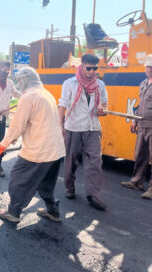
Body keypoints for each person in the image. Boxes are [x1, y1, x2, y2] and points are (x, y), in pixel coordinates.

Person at [0, 67, 65, 223]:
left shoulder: (28, 98)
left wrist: (1, 147)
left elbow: (16, 127)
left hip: (39, 150)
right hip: (56, 150)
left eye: (19, 81)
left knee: (18, 178)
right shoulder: (47, 94)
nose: (18, 84)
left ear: (25, 80)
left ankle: (13, 212)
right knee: (47, 183)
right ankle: (53, 211)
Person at [58, 54, 108, 211]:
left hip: (93, 128)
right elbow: (62, 106)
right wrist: (61, 127)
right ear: (82, 66)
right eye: (89, 68)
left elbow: (104, 108)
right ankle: (69, 187)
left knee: (95, 162)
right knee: (71, 161)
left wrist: (102, 110)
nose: (92, 71)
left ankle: (93, 195)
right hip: (73, 127)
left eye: (95, 68)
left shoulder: (100, 85)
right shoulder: (70, 84)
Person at [121, 54, 152, 199]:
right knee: (140, 155)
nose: (148, 69)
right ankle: (137, 182)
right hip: (142, 124)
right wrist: (134, 120)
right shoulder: (143, 83)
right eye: (147, 66)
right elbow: (141, 104)